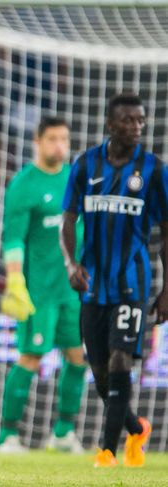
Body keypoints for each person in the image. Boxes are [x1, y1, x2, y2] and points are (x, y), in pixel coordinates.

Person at [60, 92, 168, 467]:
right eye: (128, 121)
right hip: (92, 285)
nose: (136, 127)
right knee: (102, 373)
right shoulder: (85, 164)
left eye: (140, 120)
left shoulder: (153, 170)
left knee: (123, 361)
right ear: (110, 124)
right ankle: (137, 428)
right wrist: (72, 264)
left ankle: (106, 450)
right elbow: (68, 221)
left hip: (132, 285)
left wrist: (167, 290)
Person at [0, 117, 87, 454]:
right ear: (38, 141)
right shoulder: (24, 185)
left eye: (65, 138)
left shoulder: (75, 179)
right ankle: (7, 435)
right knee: (31, 357)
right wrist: (15, 280)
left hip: (73, 291)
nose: (60, 145)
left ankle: (63, 433)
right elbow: (14, 239)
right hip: (39, 290)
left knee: (78, 358)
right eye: (53, 139)